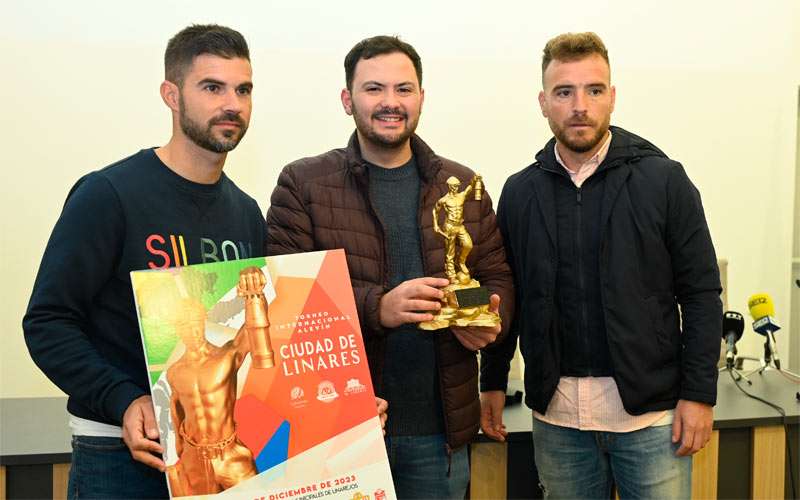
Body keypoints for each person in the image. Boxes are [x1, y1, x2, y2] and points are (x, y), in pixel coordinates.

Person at [23, 24, 265, 499]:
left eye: (243, 89)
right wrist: (123, 399)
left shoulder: (247, 213)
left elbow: (256, 344)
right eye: (212, 87)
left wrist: (344, 401)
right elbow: (47, 322)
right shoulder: (108, 194)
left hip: (217, 463)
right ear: (171, 95)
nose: (232, 104)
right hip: (118, 457)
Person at [266, 35, 513, 499]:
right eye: (374, 89)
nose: (390, 102)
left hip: (439, 434)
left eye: (404, 89)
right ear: (347, 99)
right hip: (338, 433)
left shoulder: (461, 183)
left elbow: (494, 276)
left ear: (421, 98)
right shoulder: (303, 184)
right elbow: (283, 301)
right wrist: (378, 307)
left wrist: (478, 315)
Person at [480, 32, 722, 499]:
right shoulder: (520, 192)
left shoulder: (664, 180)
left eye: (593, 90)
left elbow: (700, 294)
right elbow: (505, 293)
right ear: (543, 102)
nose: (579, 106)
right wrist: (491, 380)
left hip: (651, 422)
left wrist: (699, 394)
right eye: (564, 92)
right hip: (558, 422)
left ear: (612, 97)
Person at [165, 267, 272, 496]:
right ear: (176, 329)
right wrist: (179, 453)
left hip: (231, 456)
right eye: (184, 324)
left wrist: (254, 292)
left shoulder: (226, 356)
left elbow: (253, 329)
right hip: (194, 461)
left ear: (203, 321)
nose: (192, 330)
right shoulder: (174, 372)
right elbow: (176, 412)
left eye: (195, 322)